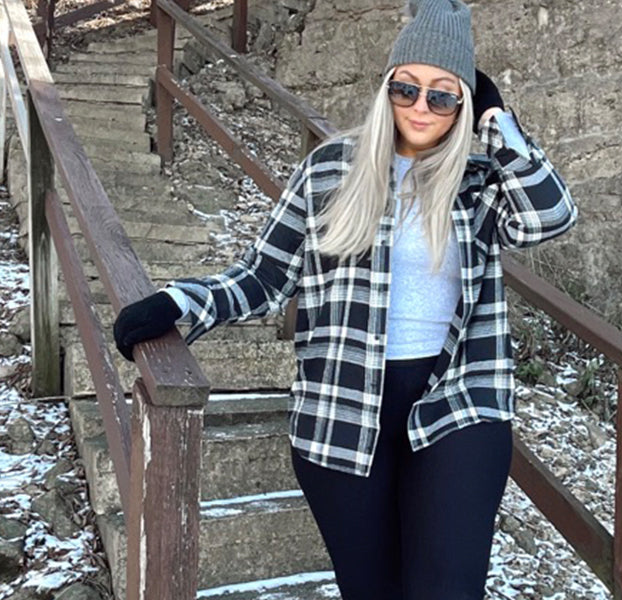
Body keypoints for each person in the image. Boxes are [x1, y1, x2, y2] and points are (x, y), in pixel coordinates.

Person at [113, 0, 577, 597]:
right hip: (342, 405)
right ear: (386, 89)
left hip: (459, 400)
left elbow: (550, 216)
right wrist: (180, 304)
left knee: (447, 588)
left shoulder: (481, 179)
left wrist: (497, 122)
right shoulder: (329, 170)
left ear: (464, 103)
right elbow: (263, 277)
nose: (420, 107)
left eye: (443, 96)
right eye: (406, 88)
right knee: (371, 589)